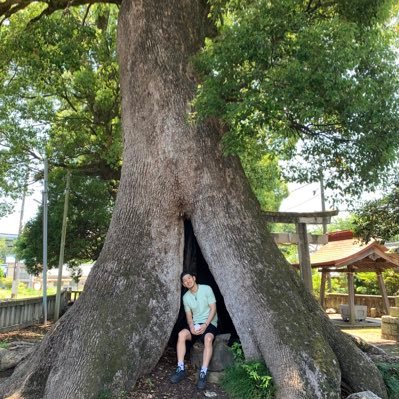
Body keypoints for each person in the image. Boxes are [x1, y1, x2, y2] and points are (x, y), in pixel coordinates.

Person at [170, 272, 218, 390]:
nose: (188, 281)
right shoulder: (186, 297)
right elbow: (189, 316)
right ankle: (181, 369)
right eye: (185, 281)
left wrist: (206, 324)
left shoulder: (206, 289)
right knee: (181, 334)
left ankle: (203, 373)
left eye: (189, 278)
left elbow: (213, 308)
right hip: (196, 325)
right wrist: (191, 327)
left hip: (209, 323)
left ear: (194, 278)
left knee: (208, 339)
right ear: (183, 284)